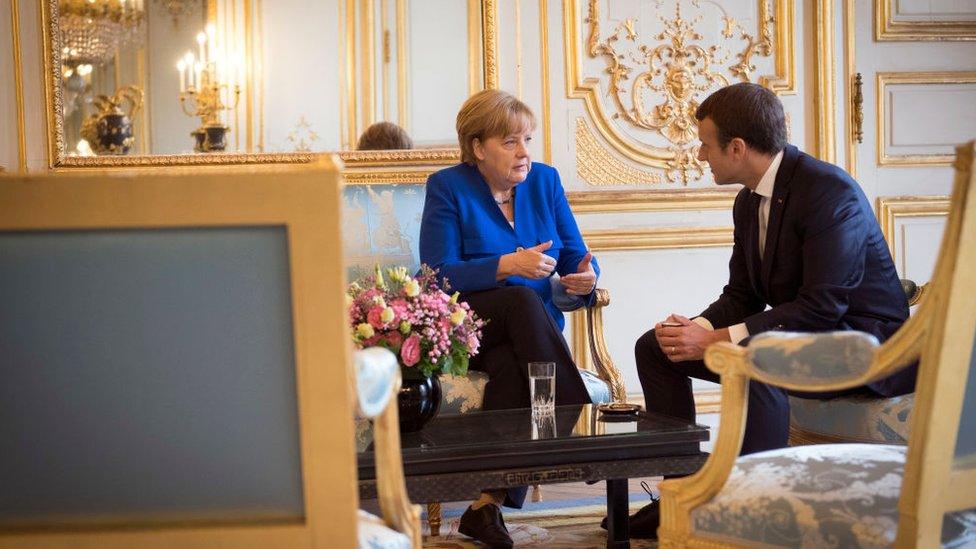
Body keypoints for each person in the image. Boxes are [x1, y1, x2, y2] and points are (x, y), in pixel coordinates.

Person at [618, 82, 913, 539]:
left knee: (755, 359)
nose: (700, 156)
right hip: (803, 333)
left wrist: (716, 340)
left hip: (865, 348)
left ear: (736, 148)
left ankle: (750, 510)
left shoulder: (829, 192)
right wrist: (694, 328)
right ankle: (678, 497)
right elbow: (742, 295)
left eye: (705, 145)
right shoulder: (747, 199)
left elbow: (823, 307)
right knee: (656, 349)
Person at [420, 89, 599, 547]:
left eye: (527, 140)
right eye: (510, 142)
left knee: (512, 369)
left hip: (527, 335)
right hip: (471, 323)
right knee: (520, 300)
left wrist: (586, 280)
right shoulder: (448, 187)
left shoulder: (545, 181)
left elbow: (578, 257)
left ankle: (485, 507)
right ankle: (578, 422)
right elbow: (436, 276)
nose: (524, 153)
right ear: (478, 147)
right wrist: (506, 265)